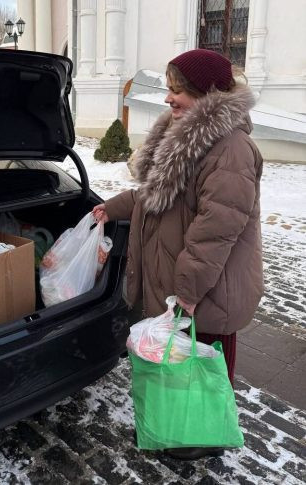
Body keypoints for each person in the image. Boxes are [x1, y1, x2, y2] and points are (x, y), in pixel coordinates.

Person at [93, 49, 264, 460]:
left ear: (208, 94)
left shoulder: (231, 149)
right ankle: (182, 429)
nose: (169, 98)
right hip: (182, 278)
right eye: (169, 89)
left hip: (209, 286)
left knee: (203, 363)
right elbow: (152, 194)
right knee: (179, 360)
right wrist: (111, 208)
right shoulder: (183, 135)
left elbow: (216, 231)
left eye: (179, 90)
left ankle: (205, 436)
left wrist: (187, 291)